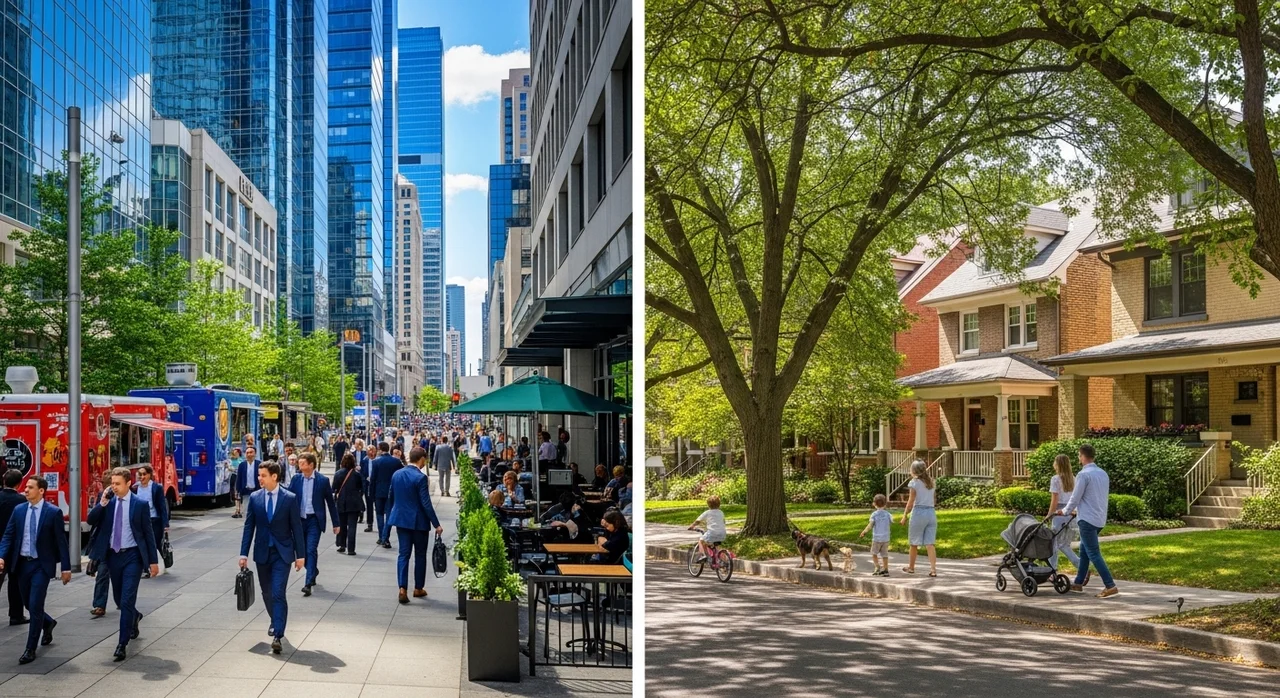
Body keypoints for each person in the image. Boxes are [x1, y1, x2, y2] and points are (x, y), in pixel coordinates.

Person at [87, 468, 159, 662]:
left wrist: (153, 561)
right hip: (112, 557)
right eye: (112, 484)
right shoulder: (107, 502)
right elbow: (90, 521)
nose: (114, 487)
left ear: (128, 484)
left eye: (118, 484)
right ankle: (133, 617)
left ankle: (122, 643)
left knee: (127, 599)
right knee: (120, 600)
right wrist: (101, 503)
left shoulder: (140, 505)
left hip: (132, 557)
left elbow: (148, 534)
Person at [0, 476, 71, 664]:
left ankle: (30, 648)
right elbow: (8, 535)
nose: (26, 490)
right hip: (22, 564)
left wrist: (66, 567)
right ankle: (48, 623)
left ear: (41, 491)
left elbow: (61, 542)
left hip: (41, 565)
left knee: (36, 604)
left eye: (30, 487)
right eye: (26, 487)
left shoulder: (53, 512)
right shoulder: (19, 510)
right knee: (28, 604)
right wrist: (1, 556)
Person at [240, 461, 306, 654]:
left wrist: (300, 555)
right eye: (259, 475)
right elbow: (248, 527)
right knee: (267, 593)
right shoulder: (255, 498)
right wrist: (243, 553)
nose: (259, 478)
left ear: (274, 476)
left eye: (263, 475)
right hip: (262, 553)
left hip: (282, 553)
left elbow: (296, 528)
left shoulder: (289, 498)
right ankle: (274, 619)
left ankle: (278, 633)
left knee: (278, 592)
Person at [1055, 443, 1119, 598]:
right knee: (1084, 551)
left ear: (1082, 456)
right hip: (1099, 518)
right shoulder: (1103, 473)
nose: (1078, 458)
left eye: (1079, 456)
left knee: (1093, 553)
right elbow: (1097, 496)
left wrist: (1064, 511)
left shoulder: (1084, 475)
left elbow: (1075, 497)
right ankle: (1077, 583)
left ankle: (1110, 585)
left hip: (1087, 520)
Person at [387, 447, 443, 604]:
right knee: (419, 555)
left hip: (401, 521)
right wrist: (436, 524)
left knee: (403, 554)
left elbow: (391, 497)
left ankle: (402, 588)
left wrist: (390, 518)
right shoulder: (420, 478)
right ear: (422, 459)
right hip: (418, 522)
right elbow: (426, 503)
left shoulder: (397, 474)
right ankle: (418, 588)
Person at [288, 453, 339, 596]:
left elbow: (330, 503)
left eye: (302, 463)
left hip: (314, 521)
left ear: (311, 465)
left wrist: (336, 523)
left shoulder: (322, 481)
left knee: (311, 549)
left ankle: (308, 582)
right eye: (299, 462)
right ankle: (313, 570)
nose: (299, 465)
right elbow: (289, 499)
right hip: (299, 520)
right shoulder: (296, 479)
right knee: (302, 551)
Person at [900, 460, 938, 577]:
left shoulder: (914, 483)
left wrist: (905, 515)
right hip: (931, 513)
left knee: (914, 543)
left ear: (914, 470)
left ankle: (911, 567)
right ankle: (933, 570)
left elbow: (911, 501)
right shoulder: (930, 482)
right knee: (930, 543)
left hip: (919, 513)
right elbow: (933, 499)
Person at [131, 465, 169, 579]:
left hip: (154, 519)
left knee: (155, 543)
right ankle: (146, 568)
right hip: (141, 520)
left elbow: (162, 507)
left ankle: (163, 562)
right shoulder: (135, 488)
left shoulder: (156, 488)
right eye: (140, 474)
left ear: (149, 475)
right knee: (143, 544)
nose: (141, 477)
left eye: (144, 474)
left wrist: (165, 523)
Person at [0, 469, 28, 626]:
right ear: (19, 483)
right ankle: (16, 615)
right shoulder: (21, 501)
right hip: (14, 546)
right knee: (14, 580)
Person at [1047, 454, 1082, 575]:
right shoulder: (1074, 478)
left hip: (1059, 514)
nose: (1053, 464)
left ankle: (1052, 571)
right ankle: (1080, 565)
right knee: (1064, 544)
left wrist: (1049, 514)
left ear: (1058, 464)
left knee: (1053, 544)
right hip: (1072, 513)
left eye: (1054, 462)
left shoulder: (1055, 479)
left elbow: (1054, 500)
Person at [86, 471, 114, 618]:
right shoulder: (103, 496)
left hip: (123, 546)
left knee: (120, 578)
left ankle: (124, 604)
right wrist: (103, 502)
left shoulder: (129, 498)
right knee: (102, 574)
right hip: (106, 544)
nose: (110, 488)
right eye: (108, 485)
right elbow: (91, 519)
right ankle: (99, 604)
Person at [369, 442, 403, 549]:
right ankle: (385, 537)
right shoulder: (396, 462)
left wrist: (371, 493)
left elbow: (373, 479)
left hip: (379, 491)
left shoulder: (375, 462)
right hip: (391, 491)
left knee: (379, 514)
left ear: (379, 449)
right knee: (389, 514)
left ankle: (381, 537)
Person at [333, 453, 365, 555]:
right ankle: (351, 549)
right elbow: (361, 488)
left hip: (342, 502)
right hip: (354, 503)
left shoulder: (338, 474)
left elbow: (334, 488)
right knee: (352, 526)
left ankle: (342, 545)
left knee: (341, 525)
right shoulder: (357, 475)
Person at [859, 494, 893, 576]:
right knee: (885, 554)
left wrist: (864, 531)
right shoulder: (888, 514)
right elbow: (891, 521)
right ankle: (885, 569)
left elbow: (870, 525)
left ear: (874, 504)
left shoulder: (874, 515)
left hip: (877, 538)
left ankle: (877, 567)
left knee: (874, 553)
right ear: (885, 504)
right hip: (886, 538)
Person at [688, 495, 726, 564]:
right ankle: (724, 562)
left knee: (701, 541)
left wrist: (692, 526)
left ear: (708, 505)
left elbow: (698, 521)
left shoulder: (707, 512)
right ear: (719, 504)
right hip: (722, 533)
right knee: (716, 546)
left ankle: (703, 555)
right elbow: (723, 522)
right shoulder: (721, 512)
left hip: (712, 532)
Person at [236, 446, 263, 517]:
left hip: (257, 491)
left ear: (255, 454)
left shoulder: (259, 464)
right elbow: (239, 478)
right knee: (247, 513)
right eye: (247, 453)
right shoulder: (242, 465)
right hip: (246, 491)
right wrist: (237, 491)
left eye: (251, 452)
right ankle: (248, 527)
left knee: (258, 512)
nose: (249, 454)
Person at [362, 444, 378, 531]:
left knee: (378, 505)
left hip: (376, 485)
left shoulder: (378, 460)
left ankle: (380, 524)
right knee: (369, 505)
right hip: (367, 485)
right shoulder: (364, 460)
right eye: (369, 452)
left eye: (372, 451)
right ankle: (369, 524)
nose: (371, 453)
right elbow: (362, 473)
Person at [229, 447, 244, 518]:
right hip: (234, 477)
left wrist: (231, 468)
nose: (234, 454)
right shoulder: (232, 460)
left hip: (238, 477)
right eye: (234, 453)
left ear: (238, 453)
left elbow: (238, 469)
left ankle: (239, 510)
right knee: (235, 493)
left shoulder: (240, 460)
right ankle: (237, 510)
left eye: (236, 453)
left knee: (238, 493)